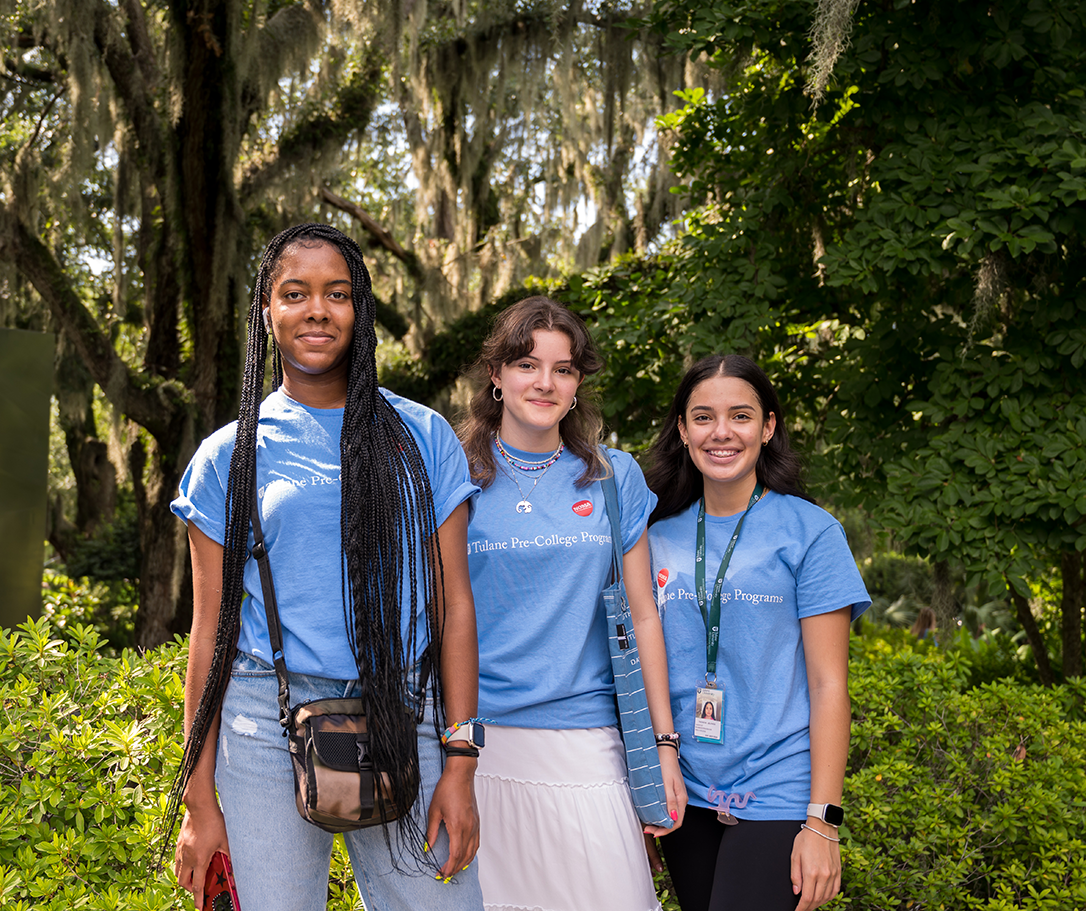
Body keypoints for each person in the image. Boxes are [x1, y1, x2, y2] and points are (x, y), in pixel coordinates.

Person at [165, 223, 484, 911]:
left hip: (404, 708)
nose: (317, 310)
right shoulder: (227, 458)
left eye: (337, 293)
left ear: (359, 308)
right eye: (295, 293)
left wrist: (459, 762)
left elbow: (454, 606)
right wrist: (197, 797)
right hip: (263, 723)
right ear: (267, 311)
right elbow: (208, 633)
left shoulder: (422, 436)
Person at [456, 295, 687, 911]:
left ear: (579, 383)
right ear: (496, 376)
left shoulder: (614, 476)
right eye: (528, 364)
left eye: (563, 369)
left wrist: (664, 746)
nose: (545, 382)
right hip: (479, 747)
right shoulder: (452, 475)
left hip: (592, 744)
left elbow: (643, 616)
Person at [644, 355, 871, 911]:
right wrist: (646, 787)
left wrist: (823, 824)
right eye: (703, 417)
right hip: (684, 792)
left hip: (779, 790)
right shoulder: (653, 535)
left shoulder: (810, 532)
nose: (721, 432)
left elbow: (829, 686)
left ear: (768, 427)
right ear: (682, 429)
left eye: (740, 416)